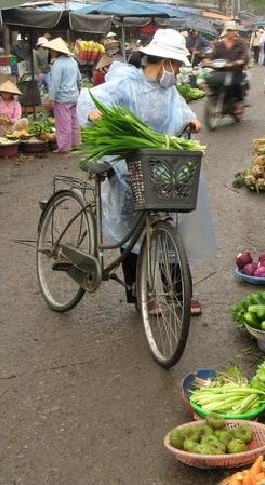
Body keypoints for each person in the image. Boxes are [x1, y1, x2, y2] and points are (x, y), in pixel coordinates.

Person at [77, 28, 216, 315]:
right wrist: (93, 112)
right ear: (163, 60)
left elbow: (180, 109)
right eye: (175, 65)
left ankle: (178, 293)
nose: (176, 71)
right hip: (127, 165)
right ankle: (141, 295)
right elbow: (91, 97)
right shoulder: (127, 83)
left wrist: (191, 120)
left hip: (159, 163)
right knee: (133, 233)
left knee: (170, 223)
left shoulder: (169, 89)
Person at [43, 37, 81, 154]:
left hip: (62, 99)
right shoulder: (73, 61)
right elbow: (79, 79)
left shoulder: (58, 64)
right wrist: (78, 91)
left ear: (56, 51)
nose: (50, 52)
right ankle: (76, 144)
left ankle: (64, 147)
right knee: (74, 122)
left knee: (63, 124)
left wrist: (51, 98)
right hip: (74, 97)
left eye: (51, 50)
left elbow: (55, 83)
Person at [206, 21, 248, 114]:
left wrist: (240, 61)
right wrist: (208, 61)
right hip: (219, 72)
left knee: (236, 83)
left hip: (235, 71)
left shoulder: (241, 43)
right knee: (211, 81)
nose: (231, 32)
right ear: (226, 31)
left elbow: (245, 56)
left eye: (233, 30)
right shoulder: (218, 45)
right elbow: (211, 56)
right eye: (229, 30)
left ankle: (239, 102)